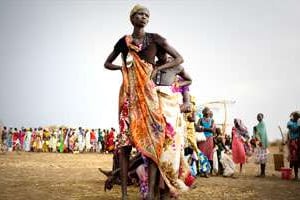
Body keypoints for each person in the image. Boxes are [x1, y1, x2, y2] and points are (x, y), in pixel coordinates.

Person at [104, 4, 184, 199]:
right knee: (124, 145)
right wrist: (122, 69)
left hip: (149, 97)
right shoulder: (124, 42)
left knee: (154, 141)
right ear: (132, 18)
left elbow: (179, 58)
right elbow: (107, 62)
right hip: (128, 97)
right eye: (140, 14)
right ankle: (124, 194)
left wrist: (156, 70)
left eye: (146, 15)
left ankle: (150, 194)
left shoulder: (155, 39)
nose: (144, 17)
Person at [195, 107, 215, 175]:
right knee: (201, 154)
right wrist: (207, 129)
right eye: (205, 111)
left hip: (209, 138)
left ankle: (208, 171)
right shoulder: (200, 120)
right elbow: (196, 128)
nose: (207, 112)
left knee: (209, 155)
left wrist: (203, 128)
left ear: (209, 113)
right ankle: (201, 170)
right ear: (203, 112)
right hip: (202, 139)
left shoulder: (212, 120)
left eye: (208, 111)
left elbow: (212, 130)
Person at [286, 111, 300, 180]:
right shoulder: (293, 123)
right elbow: (290, 127)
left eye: (294, 116)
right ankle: (294, 175)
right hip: (294, 142)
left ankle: (296, 175)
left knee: (295, 159)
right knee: (293, 159)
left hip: (296, 142)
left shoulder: (296, 123)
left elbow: (292, 127)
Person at [254, 113, 269, 177]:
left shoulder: (262, 124)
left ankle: (263, 173)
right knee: (261, 158)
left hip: (262, 143)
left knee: (263, 158)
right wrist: (255, 129)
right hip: (260, 143)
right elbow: (257, 132)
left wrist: (255, 129)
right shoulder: (259, 124)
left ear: (262, 117)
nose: (258, 118)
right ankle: (262, 173)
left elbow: (261, 133)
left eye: (259, 117)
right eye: (257, 117)